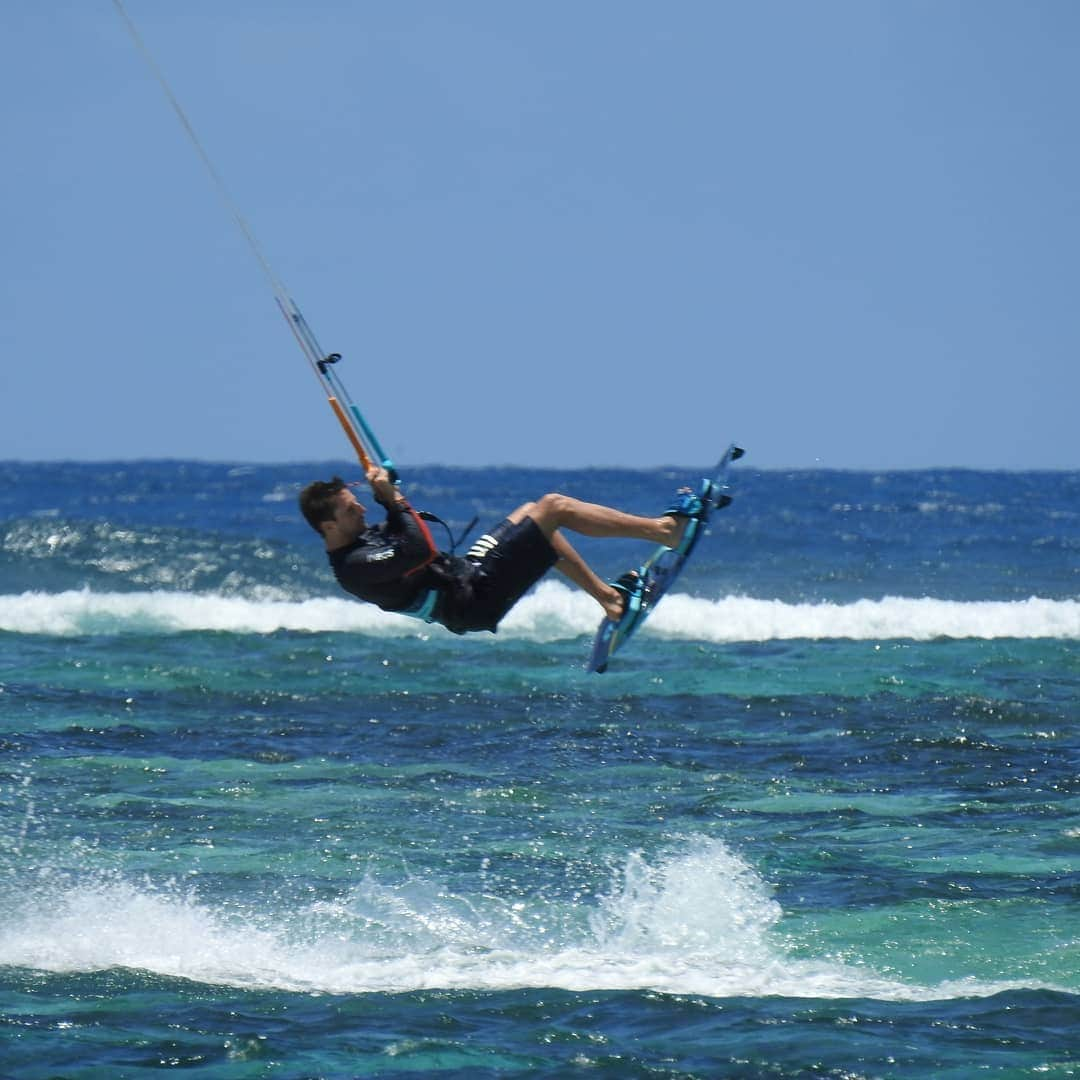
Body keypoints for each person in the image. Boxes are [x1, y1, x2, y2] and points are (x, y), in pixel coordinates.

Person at [298, 466, 702, 635]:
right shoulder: (353, 566)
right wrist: (394, 499)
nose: (362, 509)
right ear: (329, 526)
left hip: (467, 576)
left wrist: (389, 489)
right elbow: (419, 547)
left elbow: (401, 530)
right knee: (553, 507)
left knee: (532, 519)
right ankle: (666, 531)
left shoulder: (359, 538)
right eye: (352, 510)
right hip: (471, 602)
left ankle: (612, 601)